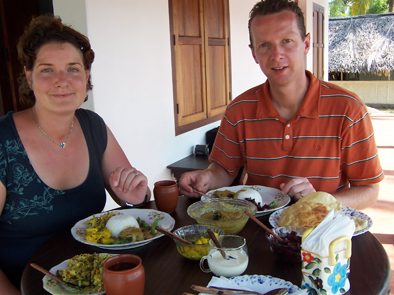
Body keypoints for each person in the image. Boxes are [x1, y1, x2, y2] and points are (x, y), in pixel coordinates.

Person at [179, 0, 383, 210]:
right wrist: (206, 177)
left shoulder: (348, 109)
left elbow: (369, 189)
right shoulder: (239, 110)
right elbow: (223, 170)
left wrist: (321, 201)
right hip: (259, 232)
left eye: (287, 41)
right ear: (254, 53)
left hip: (322, 233)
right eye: (265, 45)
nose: (277, 55)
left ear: (306, 44)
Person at [0, 15, 150, 294]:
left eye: (72, 69)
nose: (62, 81)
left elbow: (136, 199)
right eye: (47, 70)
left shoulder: (93, 126)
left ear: (86, 77)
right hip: (25, 286)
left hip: (92, 281)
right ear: (29, 77)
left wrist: (136, 196)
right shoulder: (3, 140)